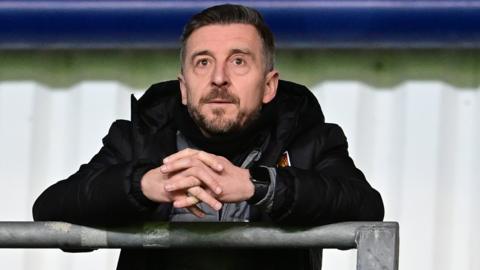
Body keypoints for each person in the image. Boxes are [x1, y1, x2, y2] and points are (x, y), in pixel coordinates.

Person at [33, 4, 384, 270]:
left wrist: (259, 186)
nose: (219, 78)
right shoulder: (138, 139)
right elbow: (50, 207)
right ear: (183, 88)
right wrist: (144, 184)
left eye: (238, 62)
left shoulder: (308, 139)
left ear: (268, 85)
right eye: (203, 62)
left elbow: (366, 206)